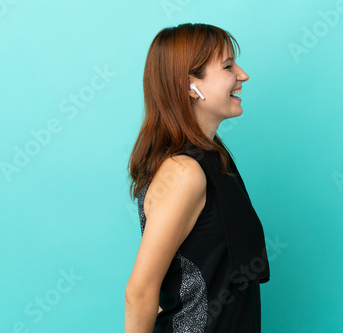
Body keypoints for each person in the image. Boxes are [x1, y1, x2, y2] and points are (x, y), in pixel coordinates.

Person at [125, 23, 270, 333]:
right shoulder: (183, 173)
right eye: (228, 66)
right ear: (191, 85)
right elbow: (139, 294)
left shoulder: (214, 160)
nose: (242, 75)